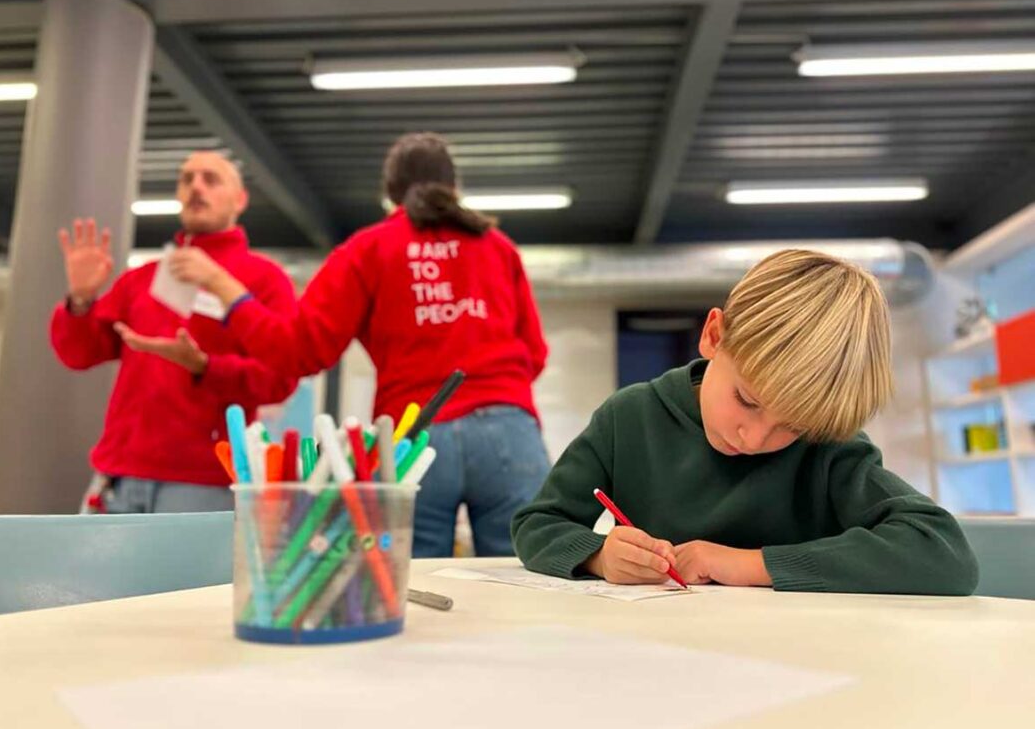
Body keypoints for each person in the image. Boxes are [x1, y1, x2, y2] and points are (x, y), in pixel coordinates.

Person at [166, 132, 552, 557]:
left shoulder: (368, 249)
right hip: (510, 433)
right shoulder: (497, 247)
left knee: (411, 590)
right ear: (454, 187)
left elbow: (299, 350)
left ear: (389, 195)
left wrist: (229, 292)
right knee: (524, 576)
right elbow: (535, 353)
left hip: (412, 437)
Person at [511, 249, 979, 595]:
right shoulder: (629, 417)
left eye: (791, 426)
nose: (754, 438)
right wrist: (598, 556)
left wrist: (748, 565)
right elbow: (538, 523)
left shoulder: (829, 442)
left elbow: (944, 554)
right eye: (747, 400)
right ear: (714, 335)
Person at [50, 151, 299, 514]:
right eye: (187, 179)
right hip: (117, 477)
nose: (195, 186)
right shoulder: (142, 278)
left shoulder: (265, 279)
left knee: (195, 576)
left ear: (240, 199)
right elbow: (79, 353)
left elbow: (280, 379)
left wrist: (204, 366)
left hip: (203, 483)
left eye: (211, 179)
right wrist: (81, 300)